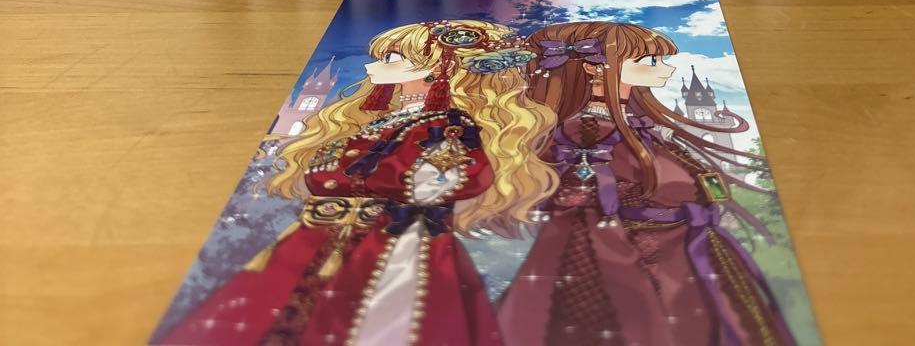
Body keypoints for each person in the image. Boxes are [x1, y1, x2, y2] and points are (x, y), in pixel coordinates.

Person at [160, 20, 558, 346]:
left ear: (436, 69)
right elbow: (330, 173)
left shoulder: (447, 125)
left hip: (393, 242)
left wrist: (364, 181)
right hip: (324, 234)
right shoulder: (391, 120)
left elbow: (442, 182)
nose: (376, 65)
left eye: (394, 58)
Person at [499, 21, 797, 346]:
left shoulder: (637, 127)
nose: (666, 68)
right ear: (593, 68)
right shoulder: (587, 133)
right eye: (650, 60)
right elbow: (580, 216)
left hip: (687, 259)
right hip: (644, 268)